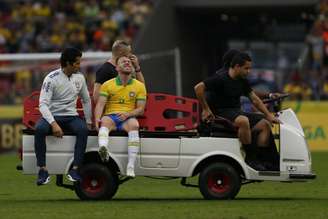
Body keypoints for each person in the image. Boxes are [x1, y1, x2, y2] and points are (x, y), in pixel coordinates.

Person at [194, 52, 280, 170]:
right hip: (220, 113)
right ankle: (250, 159)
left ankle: (263, 160)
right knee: (243, 121)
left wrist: (268, 115)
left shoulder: (242, 81)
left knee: (265, 124)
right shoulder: (220, 78)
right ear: (236, 66)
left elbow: (255, 99)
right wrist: (206, 109)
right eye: (246, 68)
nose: (249, 71)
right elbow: (198, 88)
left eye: (249, 68)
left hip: (235, 112)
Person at [34, 47, 92, 185]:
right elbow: (42, 104)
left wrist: (89, 121)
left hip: (71, 116)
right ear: (68, 63)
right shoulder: (51, 79)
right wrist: (54, 124)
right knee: (39, 130)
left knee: (83, 130)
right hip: (52, 116)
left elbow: (86, 99)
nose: (79, 65)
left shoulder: (80, 78)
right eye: (77, 63)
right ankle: (42, 170)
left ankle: (75, 170)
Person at [94, 55, 147, 178]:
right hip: (111, 116)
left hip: (128, 118)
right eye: (124, 62)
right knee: (105, 121)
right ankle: (103, 148)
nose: (128, 63)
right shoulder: (107, 84)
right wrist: (97, 118)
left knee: (135, 124)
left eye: (129, 62)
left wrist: (127, 114)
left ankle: (130, 166)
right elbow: (100, 105)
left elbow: (140, 109)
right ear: (117, 68)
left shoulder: (139, 86)